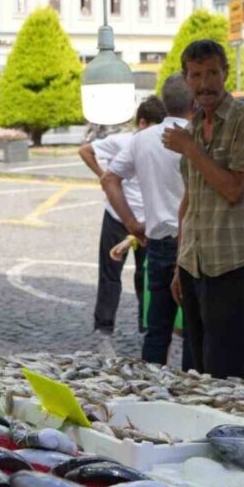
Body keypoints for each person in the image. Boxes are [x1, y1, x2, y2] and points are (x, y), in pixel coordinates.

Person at [163, 39, 244, 380]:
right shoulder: (194, 126)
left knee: (224, 371)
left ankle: (231, 431)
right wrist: (178, 264)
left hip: (229, 262)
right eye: (196, 75)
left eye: (212, 72)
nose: (205, 83)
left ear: (225, 73)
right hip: (193, 262)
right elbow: (190, 200)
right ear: (186, 80)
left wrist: (190, 149)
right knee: (194, 369)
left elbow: (233, 189)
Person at [103, 75, 195, 369]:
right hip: (194, 243)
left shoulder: (143, 139)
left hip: (158, 243)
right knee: (194, 330)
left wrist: (131, 222)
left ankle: (150, 387)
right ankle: (193, 391)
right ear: (194, 101)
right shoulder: (199, 136)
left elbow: (110, 179)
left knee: (157, 330)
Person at [77, 100, 159, 336]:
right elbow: (85, 150)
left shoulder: (160, 144)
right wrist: (104, 177)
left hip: (147, 221)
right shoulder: (123, 141)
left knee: (146, 275)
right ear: (142, 123)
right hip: (117, 217)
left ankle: (147, 325)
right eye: (153, 127)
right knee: (110, 273)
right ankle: (103, 325)